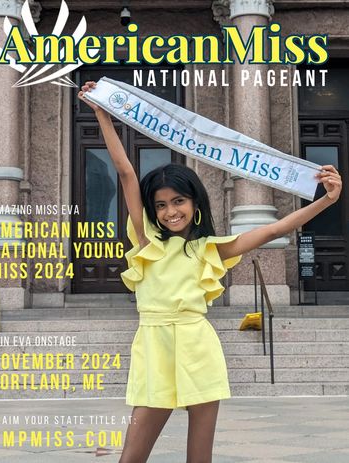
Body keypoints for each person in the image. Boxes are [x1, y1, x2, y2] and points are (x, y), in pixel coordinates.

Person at [78, 81, 342, 463]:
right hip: (154, 345)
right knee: (131, 456)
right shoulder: (146, 240)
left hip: (198, 347)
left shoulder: (209, 250)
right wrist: (102, 112)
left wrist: (326, 200)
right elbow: (125, 174)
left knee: (199, 456)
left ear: (195, 205)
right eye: (163, 205)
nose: (171, 211)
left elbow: (274, 229)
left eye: (179, 201)